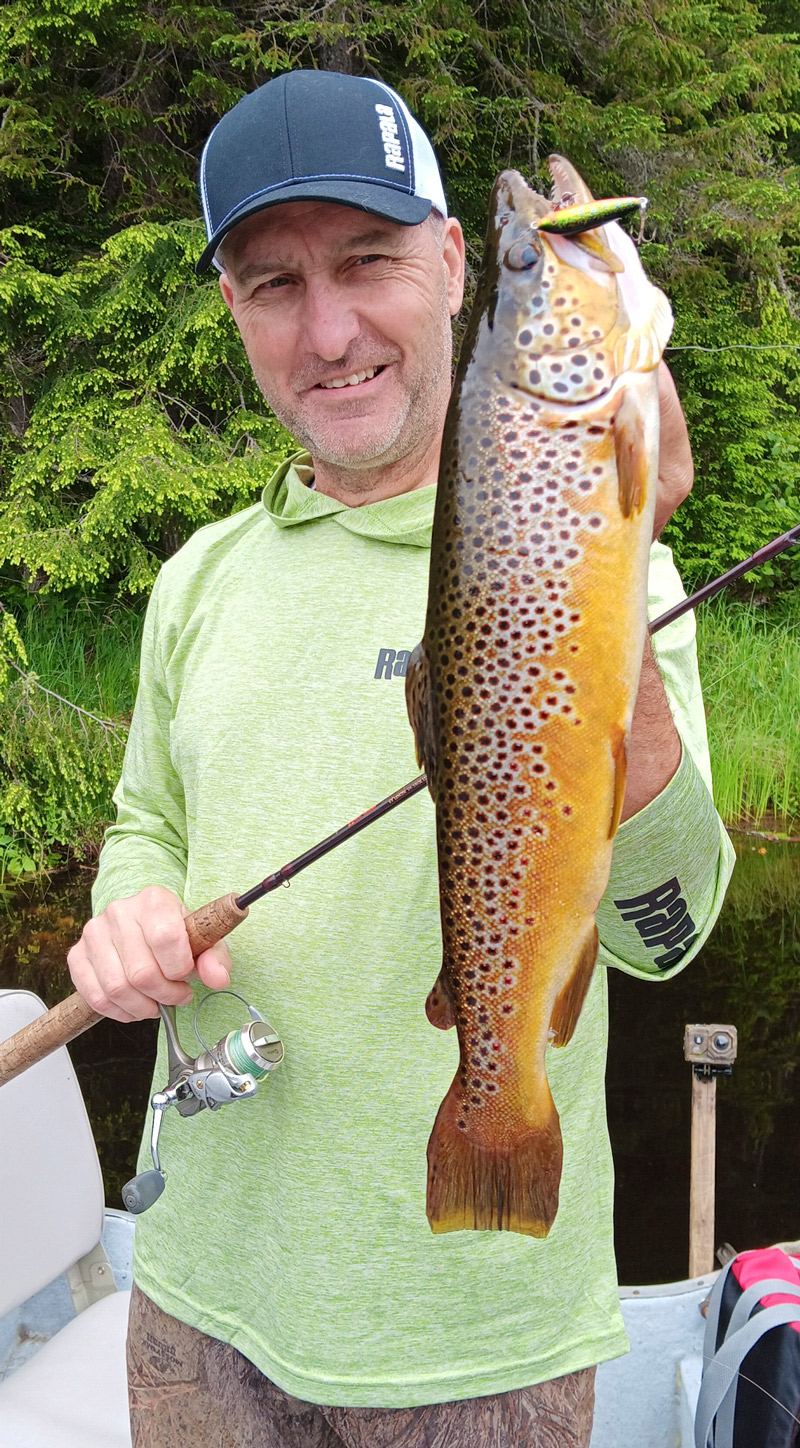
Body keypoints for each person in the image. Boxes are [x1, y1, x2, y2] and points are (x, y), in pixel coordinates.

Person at [67, 70, 735, 1448]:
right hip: (196, 1299)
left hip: (481, 1345)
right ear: (235, 310)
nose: (330, 331)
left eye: (368, 261)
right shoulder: (198, 580)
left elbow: (668, 934)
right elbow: (145, 824)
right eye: (275, 283)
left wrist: (616, 615)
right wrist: (127, 912)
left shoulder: (614, 567)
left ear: (451, 263)